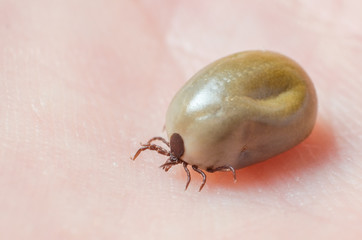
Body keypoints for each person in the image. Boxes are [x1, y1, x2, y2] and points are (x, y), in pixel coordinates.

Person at [1, 1, 361, 239]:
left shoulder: (182, 119)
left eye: (172, 152)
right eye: (173, 151)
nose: (172, 158)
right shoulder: (183, 122)